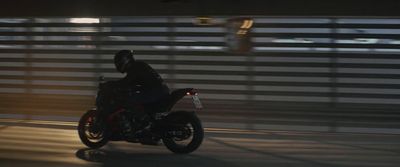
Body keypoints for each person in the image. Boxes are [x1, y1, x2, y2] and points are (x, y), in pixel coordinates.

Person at [95, 50, 169, 137]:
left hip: (156, 91)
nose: (117, 65)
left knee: (128, 100)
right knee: (131, 97)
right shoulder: (137, 66)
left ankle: (145, 122)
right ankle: (139, 123)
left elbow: (126, 82)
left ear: (125, 60)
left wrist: (109, 85)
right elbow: (132, 82)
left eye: (118, 62)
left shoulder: (136, 67)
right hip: (157, 90)